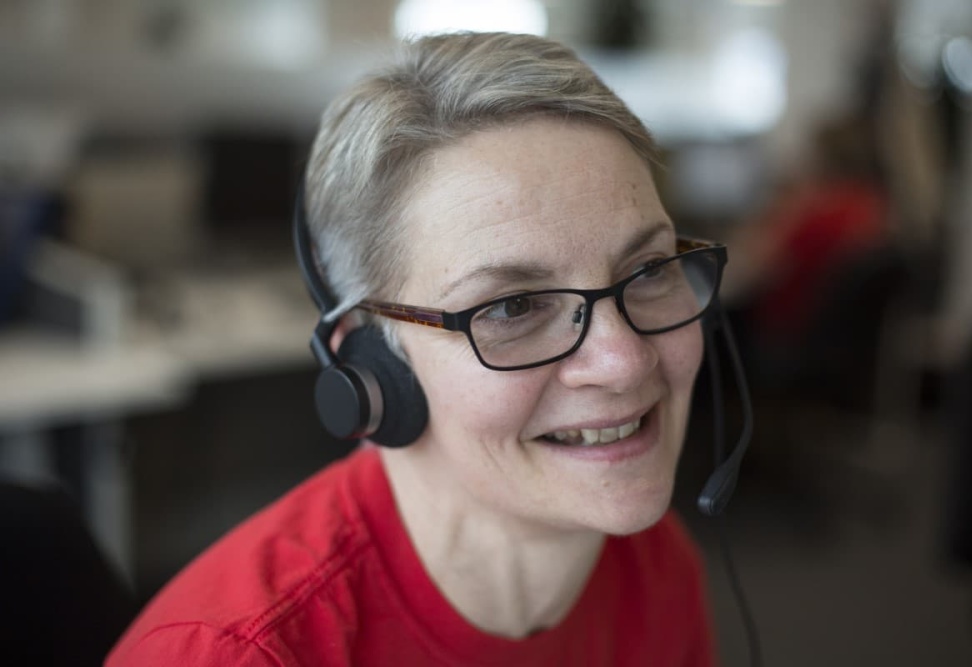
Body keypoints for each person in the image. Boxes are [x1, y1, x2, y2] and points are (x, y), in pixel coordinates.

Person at [107, 31, 725, 666]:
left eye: (649, 270)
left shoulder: (652, 565)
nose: (624, 361)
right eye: (512, 307)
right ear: (374, 366)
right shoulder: (237, 656)